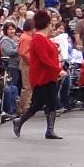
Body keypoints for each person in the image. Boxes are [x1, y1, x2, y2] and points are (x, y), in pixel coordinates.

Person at [13, 10, 63, 140]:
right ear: (47, 24)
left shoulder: (43, 39)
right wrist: (58, 69)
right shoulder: (38, 39)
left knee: (51, 102)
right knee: (37, 103)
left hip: (49, 75)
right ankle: (20, 121)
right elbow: (44, 59)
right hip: (42, 76)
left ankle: (50, 130)